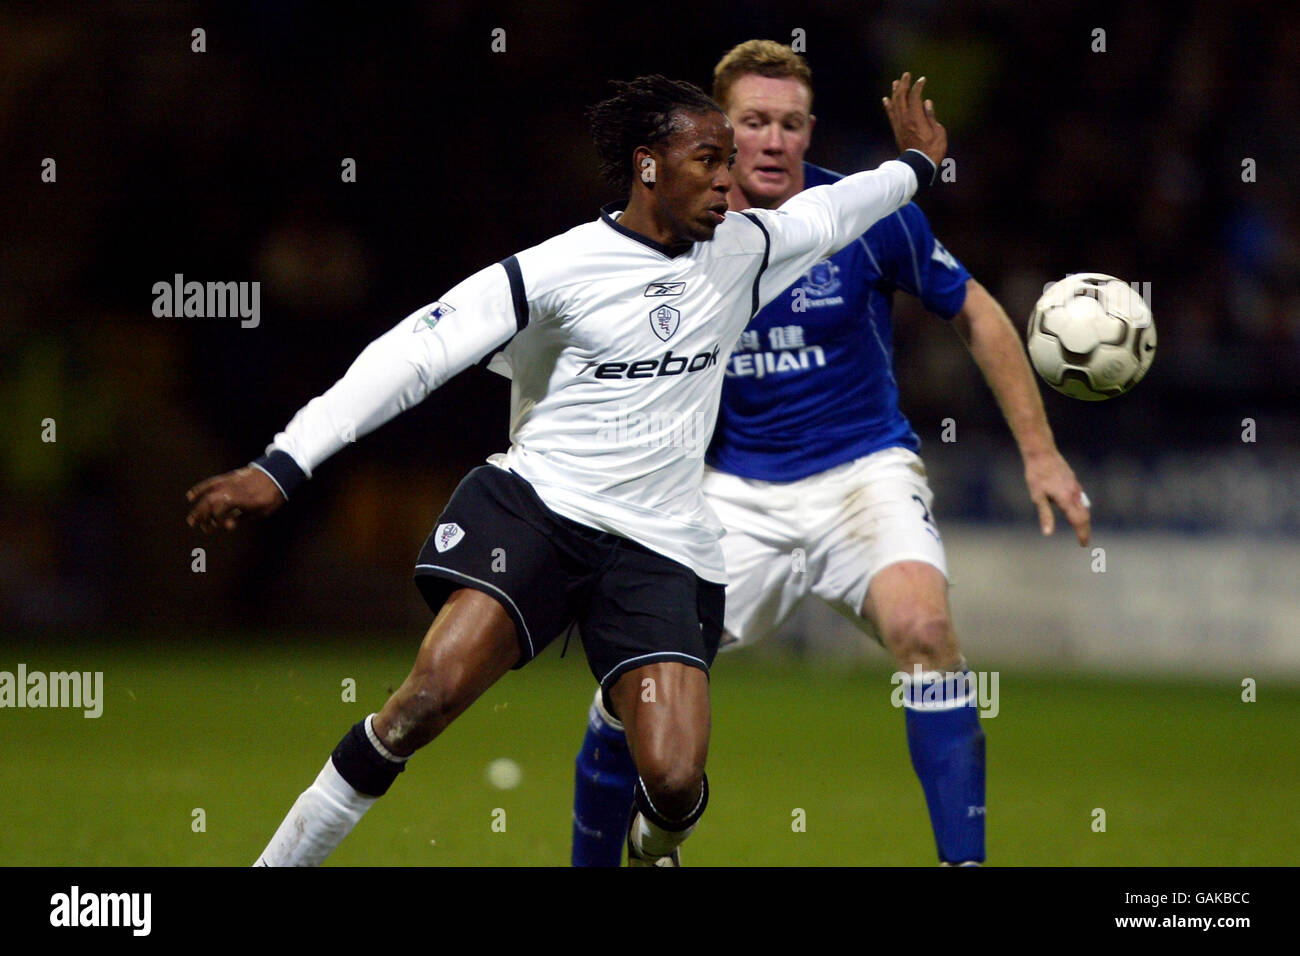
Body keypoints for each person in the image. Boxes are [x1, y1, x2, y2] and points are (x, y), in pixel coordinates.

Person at [186, 71, 947, 866]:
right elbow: (412, 355)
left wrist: (918, 168)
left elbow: (842, 208)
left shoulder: (746, 251)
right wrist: (283, 463)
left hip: (661, 545)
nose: (730, 180)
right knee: (422, 702)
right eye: (708, 160)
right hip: (539, 511)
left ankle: (653, 851)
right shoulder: (556, 270)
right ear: (649, 165)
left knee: (678, 780)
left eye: (731, 161)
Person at [570, 41, 1088, 867]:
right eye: (752, 123)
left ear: (811, 133)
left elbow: (979, 313)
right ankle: (632, 849)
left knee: (924, 628)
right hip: (726, 495)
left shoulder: (866, 212)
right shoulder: (671, 230)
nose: (772, 141)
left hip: (862, 476)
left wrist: (1042, 454)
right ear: (718, 131)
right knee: (635, 691)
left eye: (790, 123)